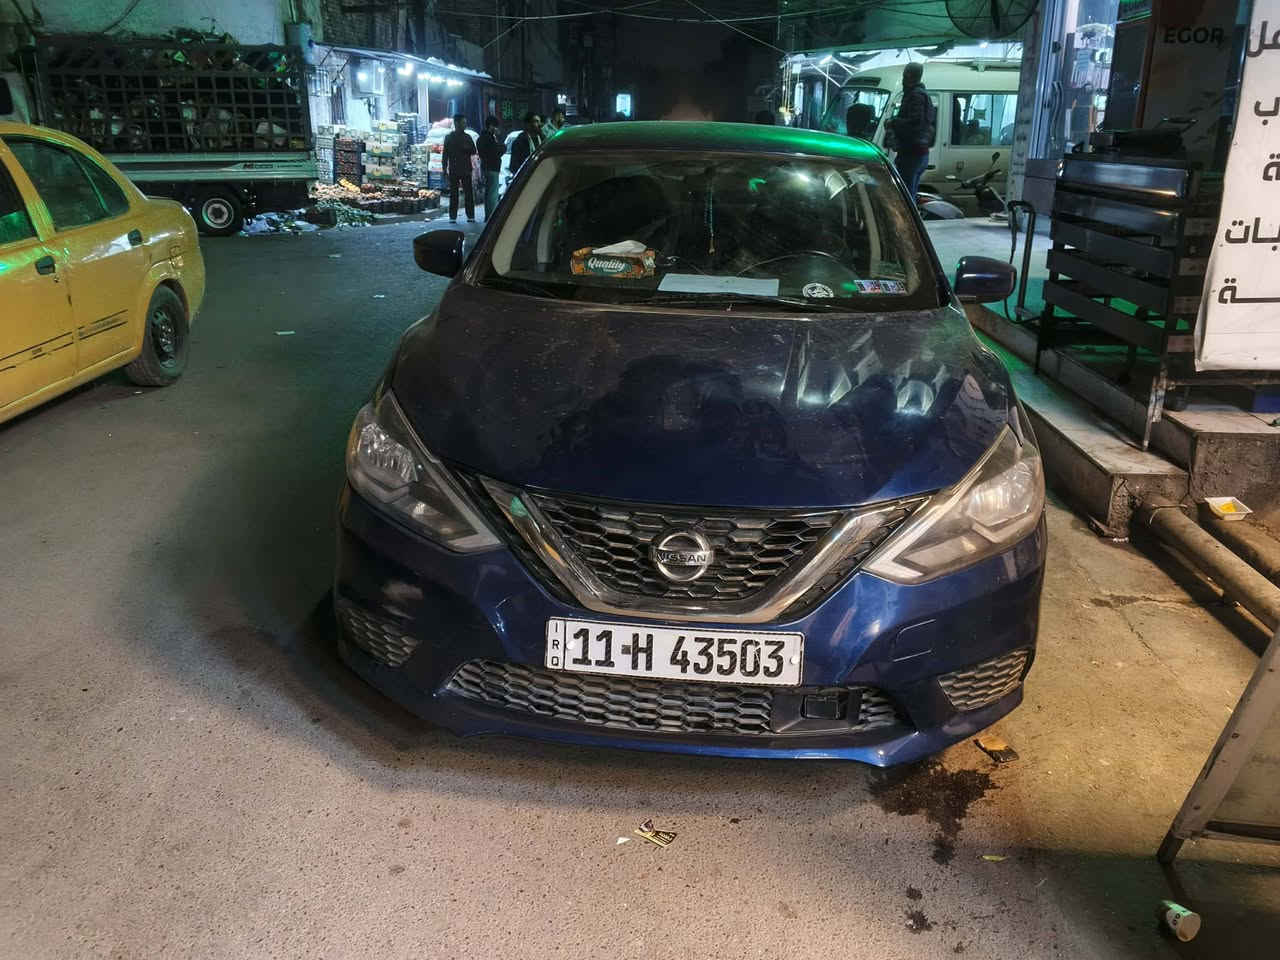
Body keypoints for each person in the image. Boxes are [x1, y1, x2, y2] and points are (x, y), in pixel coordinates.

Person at [886, 62, 934, 199]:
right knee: (909, 193)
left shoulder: (915, 95)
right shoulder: (923, 95)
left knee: (904, 195)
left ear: (908, 75)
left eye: (904, 74)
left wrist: (893, 122)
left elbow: (915, 123)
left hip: (911, 154)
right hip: (919, 153)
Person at [441, 114, 478, 223]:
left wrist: (465, 148)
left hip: (466, 169)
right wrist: (444, 169)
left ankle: (470, 216)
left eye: (465, 123)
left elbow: (473, 150)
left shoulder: (467, 137)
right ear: (456, 123)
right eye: (463, 123)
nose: (465, 125)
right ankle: (452, 217)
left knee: (468, 193)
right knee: (454, 194)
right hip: (454, 170)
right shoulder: (449, 137)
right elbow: (445, 155)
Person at [477, 116, 504, 221]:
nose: (497, 129)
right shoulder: (490, 138)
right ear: (491, 126)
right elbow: (497, 151)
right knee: (492, 193)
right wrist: (500, 140)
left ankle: (488, 215)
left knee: (488, 193)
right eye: (496, 127)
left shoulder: (481, 138)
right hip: (492, 167)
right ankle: (491, 217)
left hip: (486, 167)